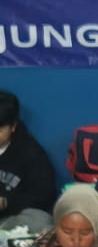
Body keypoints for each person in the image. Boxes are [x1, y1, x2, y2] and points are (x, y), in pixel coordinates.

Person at [0, 90, 56, 231]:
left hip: (10, 220)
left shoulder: (30, 153)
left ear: (13, 126)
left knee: (41, 222)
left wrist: (6, 202)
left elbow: (44, 195)